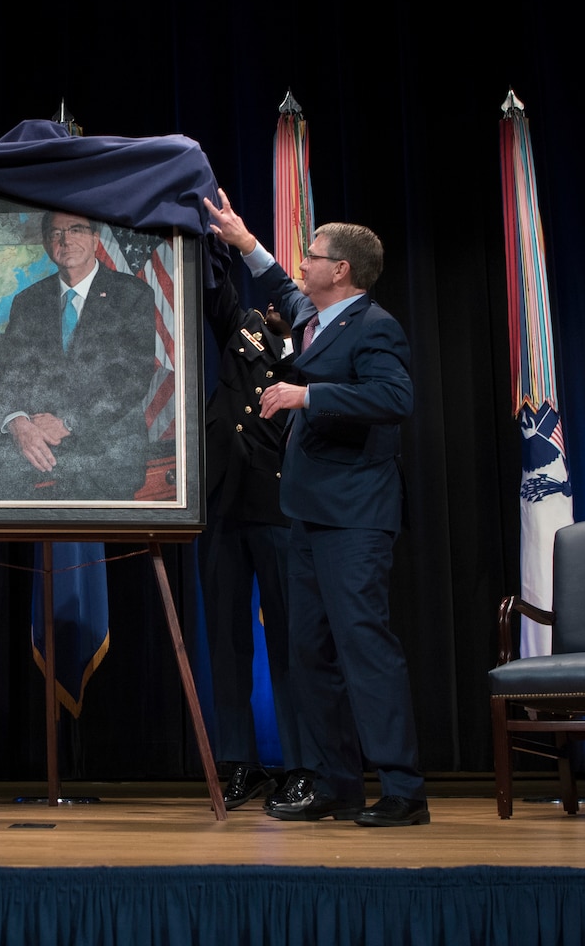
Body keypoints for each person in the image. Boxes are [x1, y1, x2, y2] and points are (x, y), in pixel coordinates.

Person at [204, 189, 429, 828]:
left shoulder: (375, 326)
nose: (302, 264)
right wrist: (243, 240)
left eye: (313, 256)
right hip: (305, 514)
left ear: (342, 271)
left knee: (364, 647)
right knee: (309, 649)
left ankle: (403, 788)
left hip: (355, 518)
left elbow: (394, 396)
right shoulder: (316, 318)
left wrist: (308, 397)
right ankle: (338, 783)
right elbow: (278, 280)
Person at [197, 245, 301, 809]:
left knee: (290, 640)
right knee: (227, 639)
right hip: (223, 500)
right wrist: (216, 231)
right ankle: (239, 760)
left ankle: (300, 763)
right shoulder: (247, 330)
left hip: (283, 505)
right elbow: (216, 290)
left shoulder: (323, 345)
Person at [0, 211, 155, 500]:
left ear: (96, 238)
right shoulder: (28, 301)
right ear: (47, 244)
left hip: (105, 444)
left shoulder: (132, 295)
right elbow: (10, 376)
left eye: (76, 230)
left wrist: (68, 423)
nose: (66, 240)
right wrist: (18, 423)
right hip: (39, 438)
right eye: (56, 233)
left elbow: (130, 380)